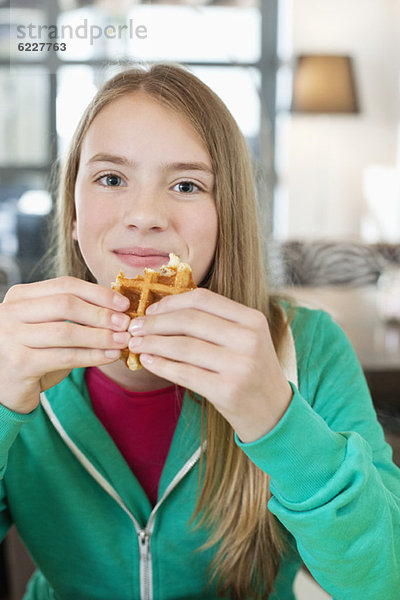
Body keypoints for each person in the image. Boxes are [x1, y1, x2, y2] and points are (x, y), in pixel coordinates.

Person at [0, 63, 399, 600]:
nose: (144, 215)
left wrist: (276, 417)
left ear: (225, 215)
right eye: (111, 178)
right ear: (73, 210)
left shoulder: (306, 347)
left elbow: (381, 581)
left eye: (186, 184)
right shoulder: (13, 351)